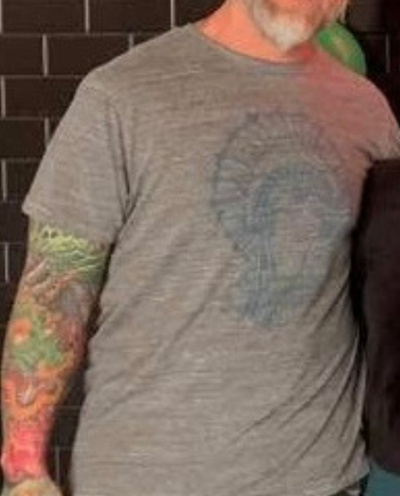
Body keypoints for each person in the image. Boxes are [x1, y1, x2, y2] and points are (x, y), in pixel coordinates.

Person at [1, 1, 400, 495]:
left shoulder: (366, 111)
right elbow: (54, 293)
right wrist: (23, 467)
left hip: (319, 479)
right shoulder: (121, 95)